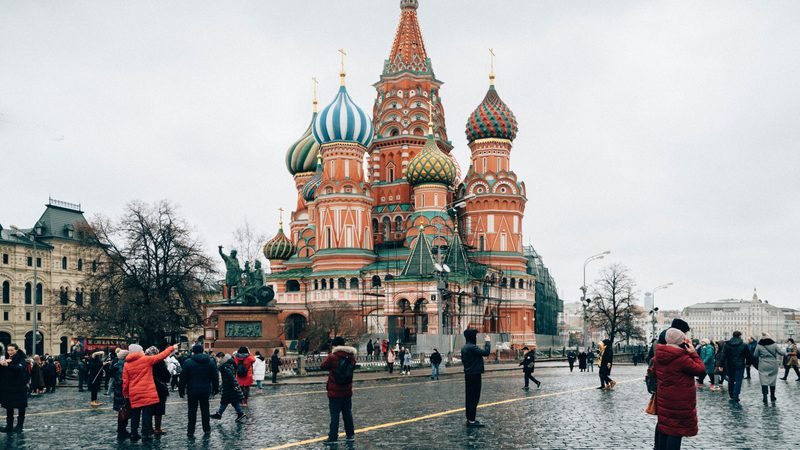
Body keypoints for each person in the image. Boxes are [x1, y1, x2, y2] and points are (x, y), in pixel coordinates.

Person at [653, 328, 706, 450]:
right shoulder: (682, 359)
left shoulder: (658, 357)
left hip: (664, 399)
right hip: (680, 401)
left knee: (665, 427)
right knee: (675, 431)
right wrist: (693, 353)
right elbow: (701, 370)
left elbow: (655, 374)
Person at [123, 343, 178, 442]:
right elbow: (161, 356)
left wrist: (126, 394)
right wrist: (172, 348)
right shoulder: (145, 360)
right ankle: (145, 434)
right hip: (146, 392)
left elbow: (125, 382)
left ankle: (134, 434)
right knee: (146, 414)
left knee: (135, 414)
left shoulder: (126, 364)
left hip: (134, 392)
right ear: (138, 351)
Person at [320, 336, 357, 446]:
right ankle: (350, 435)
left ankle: (333, 437)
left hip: (334, 391)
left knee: (335, 415)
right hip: (347, 390)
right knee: (347, 414)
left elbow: (322, 366)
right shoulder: (351, 357)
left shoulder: (333, 357)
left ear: (335, 346)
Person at [179, 344, 219, 438]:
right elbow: (215, 376)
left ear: (193, 351)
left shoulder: (188, 362)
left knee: (192, 411)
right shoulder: (210, 361)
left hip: (192, 390)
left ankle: (190, 431)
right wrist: (215, 388)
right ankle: (207, 429)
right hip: (205, 390)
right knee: (205, 410)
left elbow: (183, 378)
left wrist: (181, 390)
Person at [461, 329, 491, 428]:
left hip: (469, 374)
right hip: (474, 375)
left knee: (469, 398)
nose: (476, 337)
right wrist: (487, 341)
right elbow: (486, 352)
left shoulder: (465, 347)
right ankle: (472, 421)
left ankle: (470, 419)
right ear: (472, 337)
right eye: (475, 336)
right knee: (474, 398)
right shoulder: (472, 347)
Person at [0, 344, 29, 433]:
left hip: (20, 388)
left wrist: (8, 365)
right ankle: (9, 426)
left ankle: (19, 426)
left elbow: (20, 368)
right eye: (9, 350)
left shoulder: (21, 358)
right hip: (9, 388)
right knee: (9, 407)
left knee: (21, 407)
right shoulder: (6, 358)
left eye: (12, 350)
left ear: (16, 350)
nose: (10, 352)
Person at [210, 354, 246, 422]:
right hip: (230, 385)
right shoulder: (229, 363)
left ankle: (220, 414)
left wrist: (232, 385)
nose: (217, 360)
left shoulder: (224, 366)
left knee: (225, 400)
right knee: (233, 400)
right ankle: (240, 413)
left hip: (229, 386)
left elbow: (230, 376)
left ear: (220, 357)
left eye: (217, 358)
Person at [146, 346, 172, 435]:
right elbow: (167, 376)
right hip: (159, 389)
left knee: (148, 409)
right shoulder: (159, 362)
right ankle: (157, 428)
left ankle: (149, 428)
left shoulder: (144, 361)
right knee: (159, 409)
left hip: (147, 388)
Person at [753, 332, 784, 403]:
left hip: (763, 364)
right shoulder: (774, 344)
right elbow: (781, 352)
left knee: (763, 380)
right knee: (773, 380)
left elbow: (755, 355)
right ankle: (772, 396)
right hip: (773, 364)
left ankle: (765, 397)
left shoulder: (759, 345)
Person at [719, 331, 750, 403]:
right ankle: (736, 395)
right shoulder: (743, 345)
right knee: (738, 380)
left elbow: (723, 355)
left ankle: (731, 395)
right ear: (740, 336)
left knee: (731, 380)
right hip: (740, 365)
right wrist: (748, 363)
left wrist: (721, 365)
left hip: (730, 364)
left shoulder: (727, 344)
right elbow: (748, 356)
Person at [110, 349, 131, 440]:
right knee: (123, 411)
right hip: (122, 392)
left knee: (122, 411)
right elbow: (121, 380)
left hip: (118, 391)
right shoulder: (122, 366)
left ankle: (122, 429)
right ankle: (122, 430)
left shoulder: (117, 364)